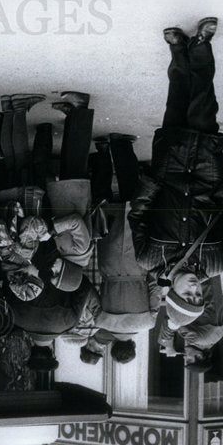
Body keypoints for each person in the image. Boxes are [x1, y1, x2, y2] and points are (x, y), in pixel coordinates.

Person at [128, 18, 223, 325]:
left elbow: (138, 215)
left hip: (167, 174)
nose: (196, 291)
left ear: (171, 294)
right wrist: (221, 186)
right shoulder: (219, 262)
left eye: (188, 297)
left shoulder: (148, 258)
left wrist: (153, 184)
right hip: (208, 175)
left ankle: (179, 52)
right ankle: (201, 46)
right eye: (199, 298)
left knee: (176, 108)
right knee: (203, 110)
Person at [86, 136, 162, 364]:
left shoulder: (148, 322)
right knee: (103, 206)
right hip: (108, 266)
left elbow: (155, 287)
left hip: (136, 264)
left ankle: (121, 146)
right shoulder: (101, 322)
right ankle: (101, 151)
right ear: (113, 346)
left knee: (132, 204)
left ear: (133, 345)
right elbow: (89, 293)